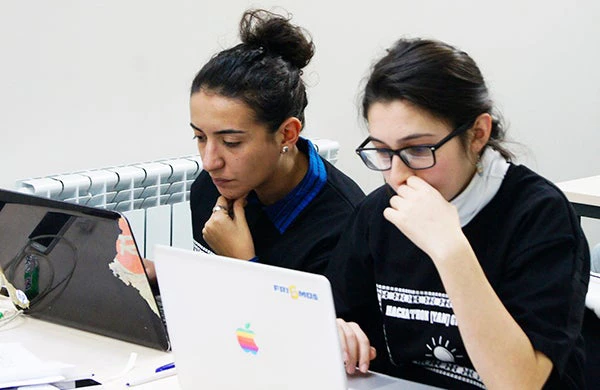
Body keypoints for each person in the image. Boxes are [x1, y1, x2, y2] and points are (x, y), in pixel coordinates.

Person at [327, 38, 590, 389]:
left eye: (418, 149)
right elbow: (340, 315)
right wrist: (337, 331)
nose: (397, 175)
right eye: (382, 152)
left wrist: (449, 249)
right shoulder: (378, 213)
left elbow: (519, 382)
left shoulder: (539, 215)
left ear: (478, 133)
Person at [186, 9, 365, 274]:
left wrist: (243, 264)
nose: (210, 162)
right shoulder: (209, 191)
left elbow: (312, 317)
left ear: (287, 134)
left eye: (232, 142)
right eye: (200, 137)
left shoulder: (343, 225)